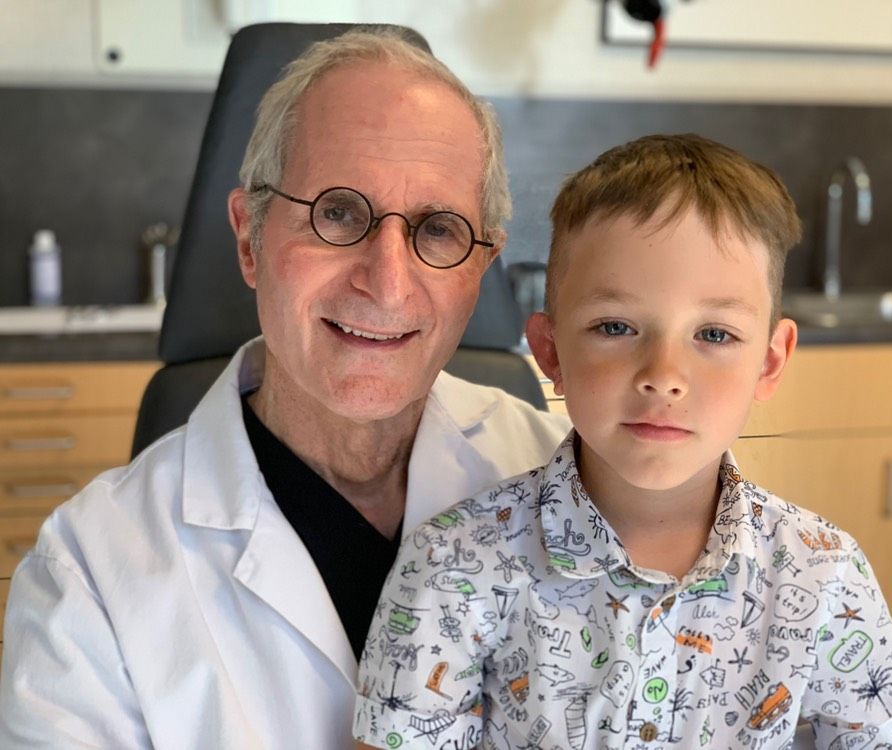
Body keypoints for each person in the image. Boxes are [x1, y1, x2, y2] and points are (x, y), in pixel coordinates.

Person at [0, 29, 568, 749]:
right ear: (250, 239)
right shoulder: (91, 575)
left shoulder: (576, 480)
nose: (388, 283)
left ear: (480, 267)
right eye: (339, 213)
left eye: (437, 229)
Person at [353, 134, 892, 750]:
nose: (663, 375)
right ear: (551, 351)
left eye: (714, 334)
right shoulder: (453, 566)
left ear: (770, 362)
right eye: (616, 326)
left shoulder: (825, 574)